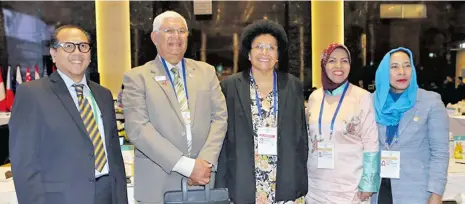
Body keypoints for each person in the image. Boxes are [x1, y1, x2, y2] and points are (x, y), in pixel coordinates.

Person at [9, 25, 127, 204]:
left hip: (107, 194)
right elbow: (24, 163)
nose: (77, 52)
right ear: (53, 53)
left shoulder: (103, 94)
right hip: (62, 198)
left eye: (83, 46)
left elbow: (115, 156)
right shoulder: (32, 94)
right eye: (68, 46)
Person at [122, 11, 227, 203]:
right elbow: (138, 129)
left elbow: (220, 117)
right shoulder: (137, 77)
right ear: (154, 37)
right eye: (169, 30)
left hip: (203, 179)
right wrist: (186, 166)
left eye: (181, 31)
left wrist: (205, 162)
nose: (176, 37)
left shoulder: (206, 72)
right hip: (158, 182)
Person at [215, 19, 308, 204]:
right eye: (259, 46)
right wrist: (221, 184)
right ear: (249, 53)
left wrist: (299, 176)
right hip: (242, 182)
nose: (265, 52)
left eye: (271, 47)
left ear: (278, 55)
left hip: (285, 180)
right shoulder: (230, 87)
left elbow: (301, 137)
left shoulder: (293, 85)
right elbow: (223, 140)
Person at [372, 47, 449, 204]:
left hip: (416, 191)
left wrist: (436, 194)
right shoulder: (372, 102)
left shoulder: (430, 102)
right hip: (379, 189)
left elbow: (440, 153)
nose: (402, 71)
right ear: (383, 72)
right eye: (394, 67)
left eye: (407, 65)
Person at [305, 43, 380, 203]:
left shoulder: (362, 97)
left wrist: (368, 183)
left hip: (349, 188)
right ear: (324, 64)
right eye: (332, 60)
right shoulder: (314, 98)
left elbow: (371, 142)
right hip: (315, 186)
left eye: (344, 61)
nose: (338, 66)